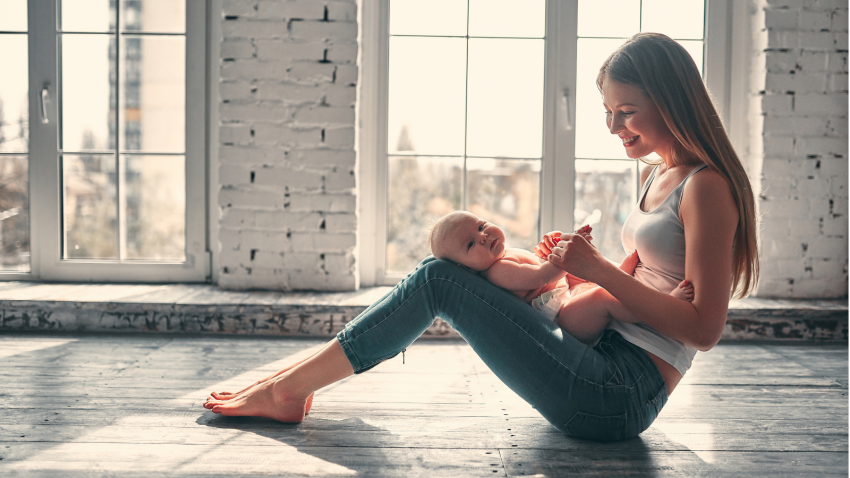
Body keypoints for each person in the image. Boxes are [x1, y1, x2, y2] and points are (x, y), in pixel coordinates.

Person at [204, 32, 758, 442]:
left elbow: (704, 330)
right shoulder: (655, 173)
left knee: (441, 278)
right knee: (446, 274)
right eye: (608, 112)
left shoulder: (706, 187)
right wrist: (571, 272)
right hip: (598, 354)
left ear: (672, 100)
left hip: (620, 394)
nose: (613, 127)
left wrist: (597, 271)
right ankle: (289, 382)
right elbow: (645, 281)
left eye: (628, 112)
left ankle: (289, 389)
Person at [428, 210, 694, 345]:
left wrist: (558, 245)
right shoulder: (497, 272)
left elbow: (549, 271)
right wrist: (570, 252)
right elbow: (542, 275)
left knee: (589, 282)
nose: (483, 236)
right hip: (561, 319)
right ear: (466, 268)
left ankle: (621, 280)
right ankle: (660, 311)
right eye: (471, 244)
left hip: (561, 298)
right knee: (601, 298)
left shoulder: (503, 255)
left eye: (481, 225)